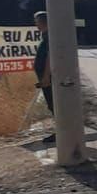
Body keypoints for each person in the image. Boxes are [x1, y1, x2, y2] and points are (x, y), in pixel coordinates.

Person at [32, 11, 56, 143]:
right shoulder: (46, 35)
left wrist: (46, 76)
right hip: (46, 79)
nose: (36, 24)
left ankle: (61, 133)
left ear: (42, 22)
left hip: (49, 79)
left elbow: (50, 56)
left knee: (55, 105)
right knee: (53, 106)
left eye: (36, 21)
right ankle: (60, 132)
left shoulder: (50, 36)